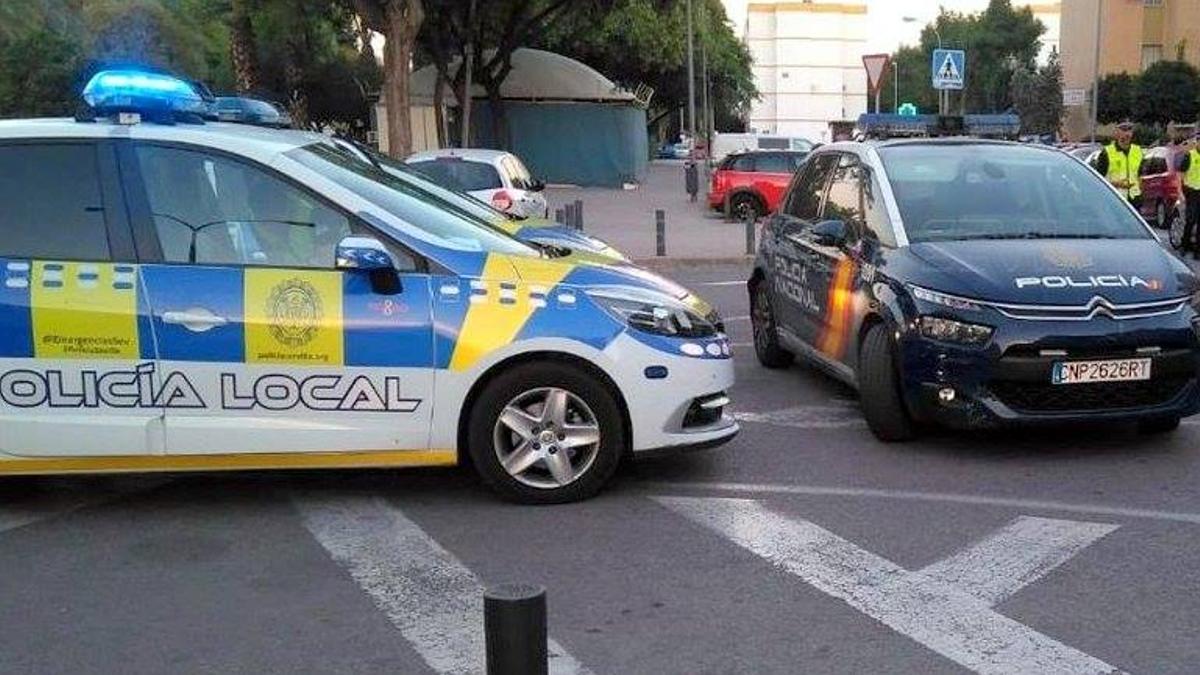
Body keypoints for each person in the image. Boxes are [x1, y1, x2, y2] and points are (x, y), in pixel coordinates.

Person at [1092, 119, 1144, 211]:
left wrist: (1141, 192)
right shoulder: (1107, 152)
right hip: (1115, 198)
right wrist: (1117, 184)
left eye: (1129, 130)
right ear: (1117, 132)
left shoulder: (1138, 151)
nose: (1127, 134)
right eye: (1124, 130)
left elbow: (1140, 175)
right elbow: (1098, 179)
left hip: (1134, 200)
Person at [1177, 133, 1200, 258]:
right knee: (1190, 220)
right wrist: (1180, 192)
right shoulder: (1189, 155)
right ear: (1197, 142)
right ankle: (1184, 246)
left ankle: (1197, 251)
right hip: (1191, 191)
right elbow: (1179, 175)